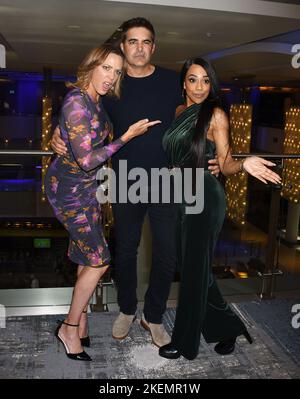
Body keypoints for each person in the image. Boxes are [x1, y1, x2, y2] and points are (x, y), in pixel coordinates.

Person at [51, 17, 220, 348]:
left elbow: (201, 107)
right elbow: (83, 117)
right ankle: (127, 309)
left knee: (166, 254)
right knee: (126, 250)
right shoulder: (112, 84)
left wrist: (214, 153)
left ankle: (152, 316)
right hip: (127, 180)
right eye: (132, 42)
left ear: (153, 47)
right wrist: (57, 134)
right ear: (123, 46)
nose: (139, 48)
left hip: (169, 180)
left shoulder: (173, 81)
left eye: (146, 42)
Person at [159, 57, 282, 361]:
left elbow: (225, 165)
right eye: (192, 79)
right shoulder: (177, 112)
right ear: (183, 83)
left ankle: (184, 342)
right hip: (179, 195)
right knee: (194, 268)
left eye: (205, 80)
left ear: (211, 84)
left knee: (192, 274)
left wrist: (245, 162)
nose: (199, 87)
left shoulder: (216, 115)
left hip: (205, 196)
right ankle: (228, 326)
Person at [45, 43, 160, 361]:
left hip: (89, 188)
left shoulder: (96, 101)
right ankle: (68, 327)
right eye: (106, 68)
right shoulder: (78, 101)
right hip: (69, 189)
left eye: (117, 71)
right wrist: (126, 137)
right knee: (99, 260)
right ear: (91, 65)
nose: (111, 77)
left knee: (86, 256)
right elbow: (85, 159)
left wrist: (58, 134)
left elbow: (74, 136)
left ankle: (79, 322)